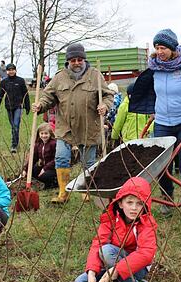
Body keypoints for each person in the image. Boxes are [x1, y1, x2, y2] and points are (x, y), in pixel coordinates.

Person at [129, 28, 181, 223]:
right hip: (163, 122)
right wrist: (152, 108)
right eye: (157, 47)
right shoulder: (154, 67)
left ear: (172, 48)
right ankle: (167, 198)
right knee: (160, 164)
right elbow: (151, 90)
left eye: (163, 48)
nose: (160, 51)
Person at [32, 42, 114, 204]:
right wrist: (40, 105)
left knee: (88, 162)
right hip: (65, 128)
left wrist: (105, 105)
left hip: (89, 127)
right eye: (73, 60)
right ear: (68, 61)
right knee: (61, 158)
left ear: (84, 60)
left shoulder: (95, 75)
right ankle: (63, 192)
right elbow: (48, 96)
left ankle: (87, 190)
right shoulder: (59, 77)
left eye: (79, 59)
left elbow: (108, 95)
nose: (76, 63)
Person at [74, 177, 158, 282]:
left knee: (106, 251)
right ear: (120, 203)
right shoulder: (111, 218)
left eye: (140, 203)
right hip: (112, 264)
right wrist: (91, 272)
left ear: (145, 205)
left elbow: (146, 253)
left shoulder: (146, 223)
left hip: (137, 267)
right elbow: (98, 243)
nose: (134, 208)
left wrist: (118, 269)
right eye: (129, 202)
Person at [0, 63, 31, 153]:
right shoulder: (4, 82)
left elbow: (25, 94)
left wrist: (27, 106)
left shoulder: (20, 81)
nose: (11, 71)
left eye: (12, 70)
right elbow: (0, 95)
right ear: (6, 71)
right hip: (9, 107)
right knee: (13, 127)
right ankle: (16, 143)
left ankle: (14, 145)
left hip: (18, 106)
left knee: (15, 125)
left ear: (15, 70)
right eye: (9, 70)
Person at [21, 122, 58, 189]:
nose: (44, 136)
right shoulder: (38, 144)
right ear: (39, 134)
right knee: (31, 171)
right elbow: (33, 158)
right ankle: (47, 183)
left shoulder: (53, 143)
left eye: (46, 133)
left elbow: (56, 159)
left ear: (50, 134)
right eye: (42, 133)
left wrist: (44, 168)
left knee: (44, 176)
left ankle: (54, 182)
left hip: (53, 168)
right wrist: (25, 170)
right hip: (44, 166)